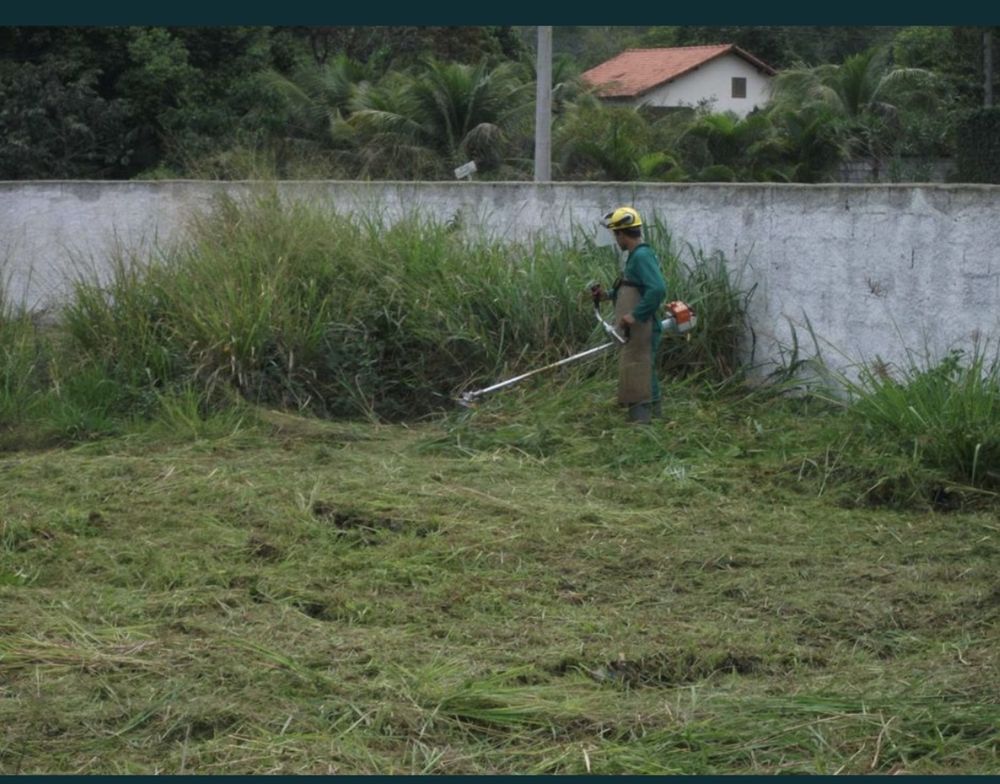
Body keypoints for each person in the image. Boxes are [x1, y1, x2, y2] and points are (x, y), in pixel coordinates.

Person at [591, 206, 667, 424]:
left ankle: (644, 419)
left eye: (616, 234)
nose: (616, 239)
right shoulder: (634, 257)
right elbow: (630, 287)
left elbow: (657, 288)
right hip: (635, 329)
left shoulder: (642, 256)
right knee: (639, 366)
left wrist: (636, 315)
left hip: (643, 326)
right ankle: (651, 416)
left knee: (640, 367)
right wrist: (605, 295)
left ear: (622, 234)